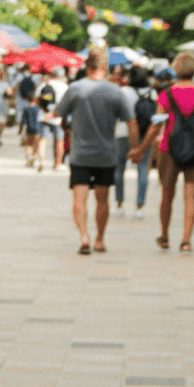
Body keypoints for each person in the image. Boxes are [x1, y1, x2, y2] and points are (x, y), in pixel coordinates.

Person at [56, 48, 137, 255]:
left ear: (86, 66)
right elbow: (131, 121)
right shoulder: (115, 91)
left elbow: (59, 114)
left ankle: (84, 237)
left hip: (80, 154)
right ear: (105, 67)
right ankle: (100, 239)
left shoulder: (75, 89)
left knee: (79, 199)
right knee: (103, 199)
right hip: (106, 153)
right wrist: (135, 148)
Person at [132, 52, 194, 253]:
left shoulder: (166, 95)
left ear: (176, 69)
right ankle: (186, 240)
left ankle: (165, 236)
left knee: (167, 194)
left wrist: (142, 149)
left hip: (168, 149)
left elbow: (156, 126)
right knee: (190, 196)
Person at [114, 67, 152, 218]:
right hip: (145, 134)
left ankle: (119, 204)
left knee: (119, 169)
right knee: (143, 169)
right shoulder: (151, 92)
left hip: (122, 132)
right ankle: (139, 207)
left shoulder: (123, 92)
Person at [44, 67, 70, 169]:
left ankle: (40, 159)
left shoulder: (47, 85)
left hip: (46, 113)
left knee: (43, 139)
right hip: (60, 115)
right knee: (59, 140)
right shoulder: (65, 86)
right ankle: (58, 163)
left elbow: (43, 97)